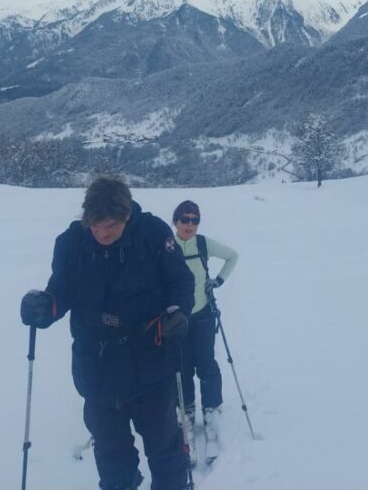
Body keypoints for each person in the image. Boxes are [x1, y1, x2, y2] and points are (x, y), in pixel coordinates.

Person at [20, 176, 194, 490]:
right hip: (97, 370)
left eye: (111, 224)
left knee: (165, 453)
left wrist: (178, 311)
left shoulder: (154, 235)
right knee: (112, 460)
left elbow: (180, 281)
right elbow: (60, 290)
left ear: (127, 215)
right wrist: (44, 307)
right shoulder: (71, 243)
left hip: (151, 364)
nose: (102, 232)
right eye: (95, 224)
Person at [172, 200, 239, 463]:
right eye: (185, 219)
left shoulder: (202, 243)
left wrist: (218, 280)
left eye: (194, 220)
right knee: (182, 367)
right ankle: (186, 412)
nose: (190, 225)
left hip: (202, 315)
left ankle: (211, 411)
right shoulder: (167, 245)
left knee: (206, 364)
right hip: (178, 319)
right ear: (175, 221)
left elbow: (233, 256)